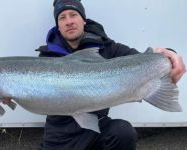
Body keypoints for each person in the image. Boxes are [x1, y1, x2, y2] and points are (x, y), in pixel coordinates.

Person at [36, 0, 186, 149]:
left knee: (123, 132)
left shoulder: (108, 48)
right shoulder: (46, 58)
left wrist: (170, 54)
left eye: (73, 14)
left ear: (83, 19)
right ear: (58, 26)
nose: (69, 21)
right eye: (62, 17)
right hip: (59, 135)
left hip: (97, 127)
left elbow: (144, 61)